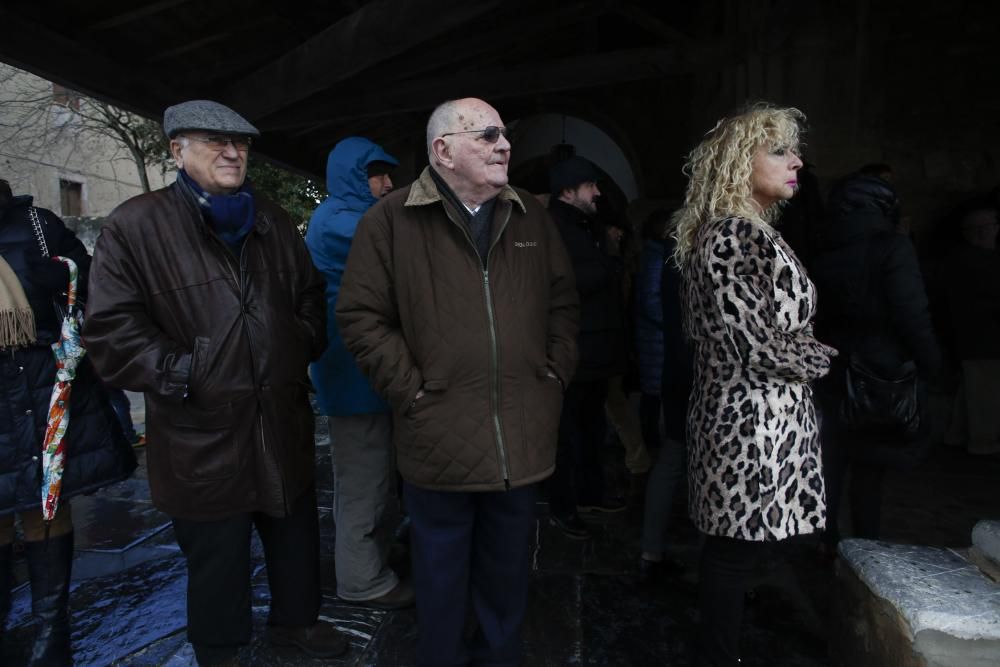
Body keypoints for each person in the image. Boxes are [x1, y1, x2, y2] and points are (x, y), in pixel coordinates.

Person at [81, 101, 344, 666]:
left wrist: (293, 342)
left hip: (280, 416)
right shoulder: (136, 225)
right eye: (215, 142)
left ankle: (297, 624)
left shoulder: (270, 217)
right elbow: (110, 329)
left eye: (242, 143)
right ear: (177, 150)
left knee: (294, 536)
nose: (233, 152)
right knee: (217, 555)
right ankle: (221, 649)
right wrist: (187, 372)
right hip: (200, 431)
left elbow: (309, 296)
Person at [335, 97, 578, 666]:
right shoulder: (389, 220)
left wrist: (554, 372)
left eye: (504, 136)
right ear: (442, 150)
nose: (505, 145)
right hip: (437, 429)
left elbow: (564, 302)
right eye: (488, 135)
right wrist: (410, 390)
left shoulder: (530, 217)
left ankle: (499, 657)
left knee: (508, 567)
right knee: (440, 574)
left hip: (521, 429)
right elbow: (360, 317)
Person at [670, 104, 836, 666]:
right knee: (732, 549)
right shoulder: (731, 235)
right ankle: (717, 657)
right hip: (747, 422)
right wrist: (822, 357)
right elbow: (756, 344)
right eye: (779, 151)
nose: (797, 161)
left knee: (740, 548)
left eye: (794, 150)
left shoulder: (752, 231)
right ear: (740, 164)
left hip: (765, 417)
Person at [0, 177, 137, 665]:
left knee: (45, 506)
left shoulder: (38, 224)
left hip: (42, 386)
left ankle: (50, 638)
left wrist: (67, 281)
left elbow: (92, 282)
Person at [304, 136, 414, 609]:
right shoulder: (343, 223)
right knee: (363, 481)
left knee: (372, 477)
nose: (388, 183)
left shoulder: (348, 216)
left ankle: (373, 559)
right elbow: (408, 249)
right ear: (351, 174)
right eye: (377, 174)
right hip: (352, 376)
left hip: (362, 374)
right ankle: (361, 580)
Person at [811, 170, 943, 545]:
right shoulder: (891, 246)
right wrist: (931, 363)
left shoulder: (823, 248)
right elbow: (911, 313)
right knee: (870, 468)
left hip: (833, 368)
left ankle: (827, 544)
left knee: (833, 460)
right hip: (880, 370)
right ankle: (866, 550)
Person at [546, 156, 628, 539]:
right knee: (567, 433)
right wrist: (609, 259)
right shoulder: (555, 228)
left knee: (591, 427)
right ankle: (564, 506)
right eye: (590, 185)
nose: (598, 192)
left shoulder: (583, 223)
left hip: (594, 349)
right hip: (574, 350)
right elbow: (568, 281)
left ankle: (589, 495)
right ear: (567, 191)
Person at [942, 206, 1000, 455]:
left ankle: (958, 436)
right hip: (981, 338)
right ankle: (984, 444)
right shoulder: (968, 261)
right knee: (984, 393)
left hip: (980, 337)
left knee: (974, 391)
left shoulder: (978, 258)